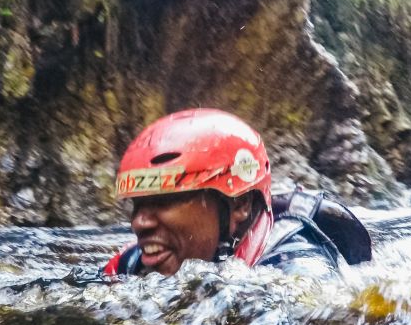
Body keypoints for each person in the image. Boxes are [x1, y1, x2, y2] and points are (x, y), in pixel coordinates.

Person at [104, 109, 371, 277]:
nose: (139, 222)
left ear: (240, 204)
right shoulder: (131, 264)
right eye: (137, 204)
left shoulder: (296, 265)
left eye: (164, 201)